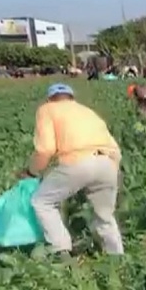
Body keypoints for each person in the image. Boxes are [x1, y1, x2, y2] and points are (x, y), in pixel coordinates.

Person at [25, 84, 123, 255]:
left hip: (78, 160)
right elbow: (115, 149)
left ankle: (61, 249)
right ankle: (116, 256)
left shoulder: (47, 109)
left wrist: (32, 171)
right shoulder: (87, 111)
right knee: (105, 215)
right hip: (108, 162)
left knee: (42, 201)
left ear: (50, 99)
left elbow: (46, 149)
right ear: (71, 98)